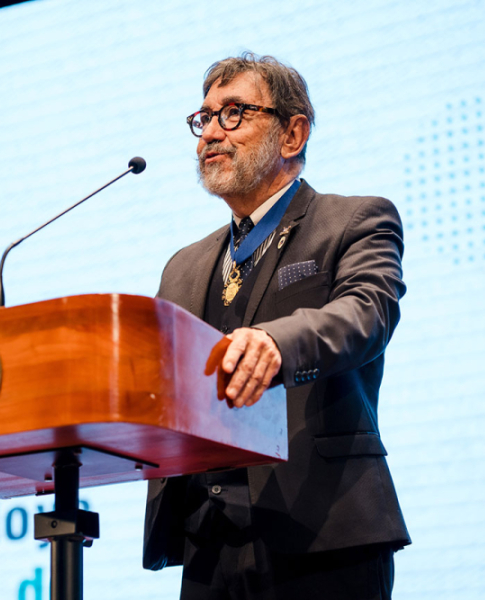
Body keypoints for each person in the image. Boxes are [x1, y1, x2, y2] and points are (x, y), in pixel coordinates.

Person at [143, 53, 411, 600]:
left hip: (325, 531)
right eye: (204, 118)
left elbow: (366, 312)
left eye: (234, 113)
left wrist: (274, 341)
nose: (210, 133)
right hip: (207, 540)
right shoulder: (183, 266)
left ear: (293, 133)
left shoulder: (355, 221)